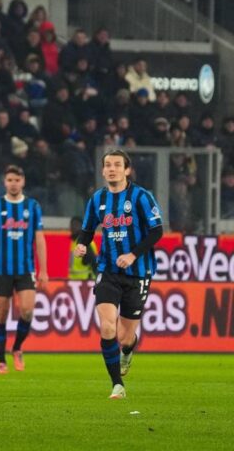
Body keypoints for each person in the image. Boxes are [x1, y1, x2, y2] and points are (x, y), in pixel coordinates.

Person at [74, 149, 163, 400]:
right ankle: (117, 385)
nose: (111, 168)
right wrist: (82, 244)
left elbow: (157, 231)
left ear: (127, 170)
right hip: (108, 270)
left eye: (117, 165)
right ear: (103, 171)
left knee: (124, 337)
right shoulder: (97, 200)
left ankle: (129, 349)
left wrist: (133, 255)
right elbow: (87, 230)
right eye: (107, 165)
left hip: (138, 273)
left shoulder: (141, 197)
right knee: (106, 326)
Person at [0, 165, 48, 374]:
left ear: (23, 181)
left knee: (27, 310)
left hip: (26, 269)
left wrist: (44, 270)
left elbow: (40, 240)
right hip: (2, 270)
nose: (13, 184)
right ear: (5, 182)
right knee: (1, 314)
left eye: (17, 180)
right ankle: (1, 360)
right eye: (9, 180)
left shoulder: (32, 207)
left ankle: (17, 348)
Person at [67, 216, 96, 280]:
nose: (73, 227)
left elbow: (93, 262)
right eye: (72, 225)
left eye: (76, 225)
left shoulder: (85, 242)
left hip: (86, 282)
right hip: (75, 282)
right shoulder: (74, 242)